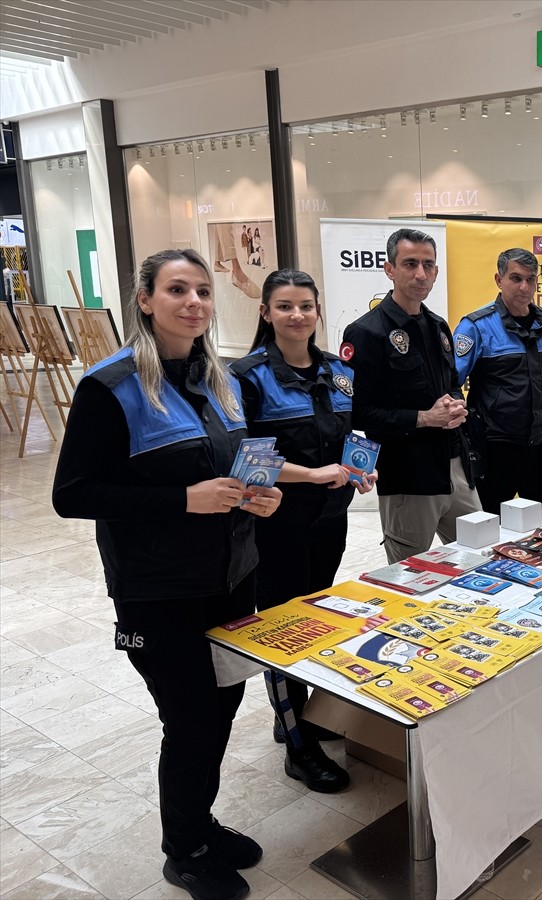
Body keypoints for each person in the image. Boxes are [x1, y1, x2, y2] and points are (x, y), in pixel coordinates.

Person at [52, 249, 282, 900]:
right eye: (177, 289)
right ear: (146, 300)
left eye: (204, 291)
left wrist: (261, 493)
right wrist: (183, 499)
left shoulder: (223, 378)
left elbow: (241, 461)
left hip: (233, 578)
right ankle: (184, 851)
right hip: (158, 593)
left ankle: (200, 821)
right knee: (190, 721)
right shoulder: (110, 386)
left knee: (226, 704)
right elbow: (73, 495)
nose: (194, 302)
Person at [231, 269, 376, 793]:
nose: (297, 316)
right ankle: (298, 746)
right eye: (285, 306)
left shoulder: (339, 371)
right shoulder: (246, 376)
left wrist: (358, 466)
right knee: (283, 628)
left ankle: (291, 710)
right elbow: (243, 460)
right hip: (276, 525)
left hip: (327, 522)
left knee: (313, 619)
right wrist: (311, 474)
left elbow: (347, 433)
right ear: (266, 312)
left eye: (306, 306)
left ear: (318, 312)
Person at [342, 228, 479, 561]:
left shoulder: (438, 326)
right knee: (409, 576)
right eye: (410, 263)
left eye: (428, 265)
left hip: (456, 468)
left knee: (480, 557)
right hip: (408, 476)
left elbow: (450, 384)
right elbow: (359, 412)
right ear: (390, 269)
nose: (421, 273)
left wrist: (455, 404)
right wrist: (425, 418)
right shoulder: (365, 332)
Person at [453, 248, 542, 512]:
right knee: (489, 529)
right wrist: (465, 437)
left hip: (538, 447)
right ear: (499, 279)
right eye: (516, 278)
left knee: (538, 530)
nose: (524, 287)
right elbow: (451, 383)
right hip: (494, 448)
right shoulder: (476, 326)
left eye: (531, 279)